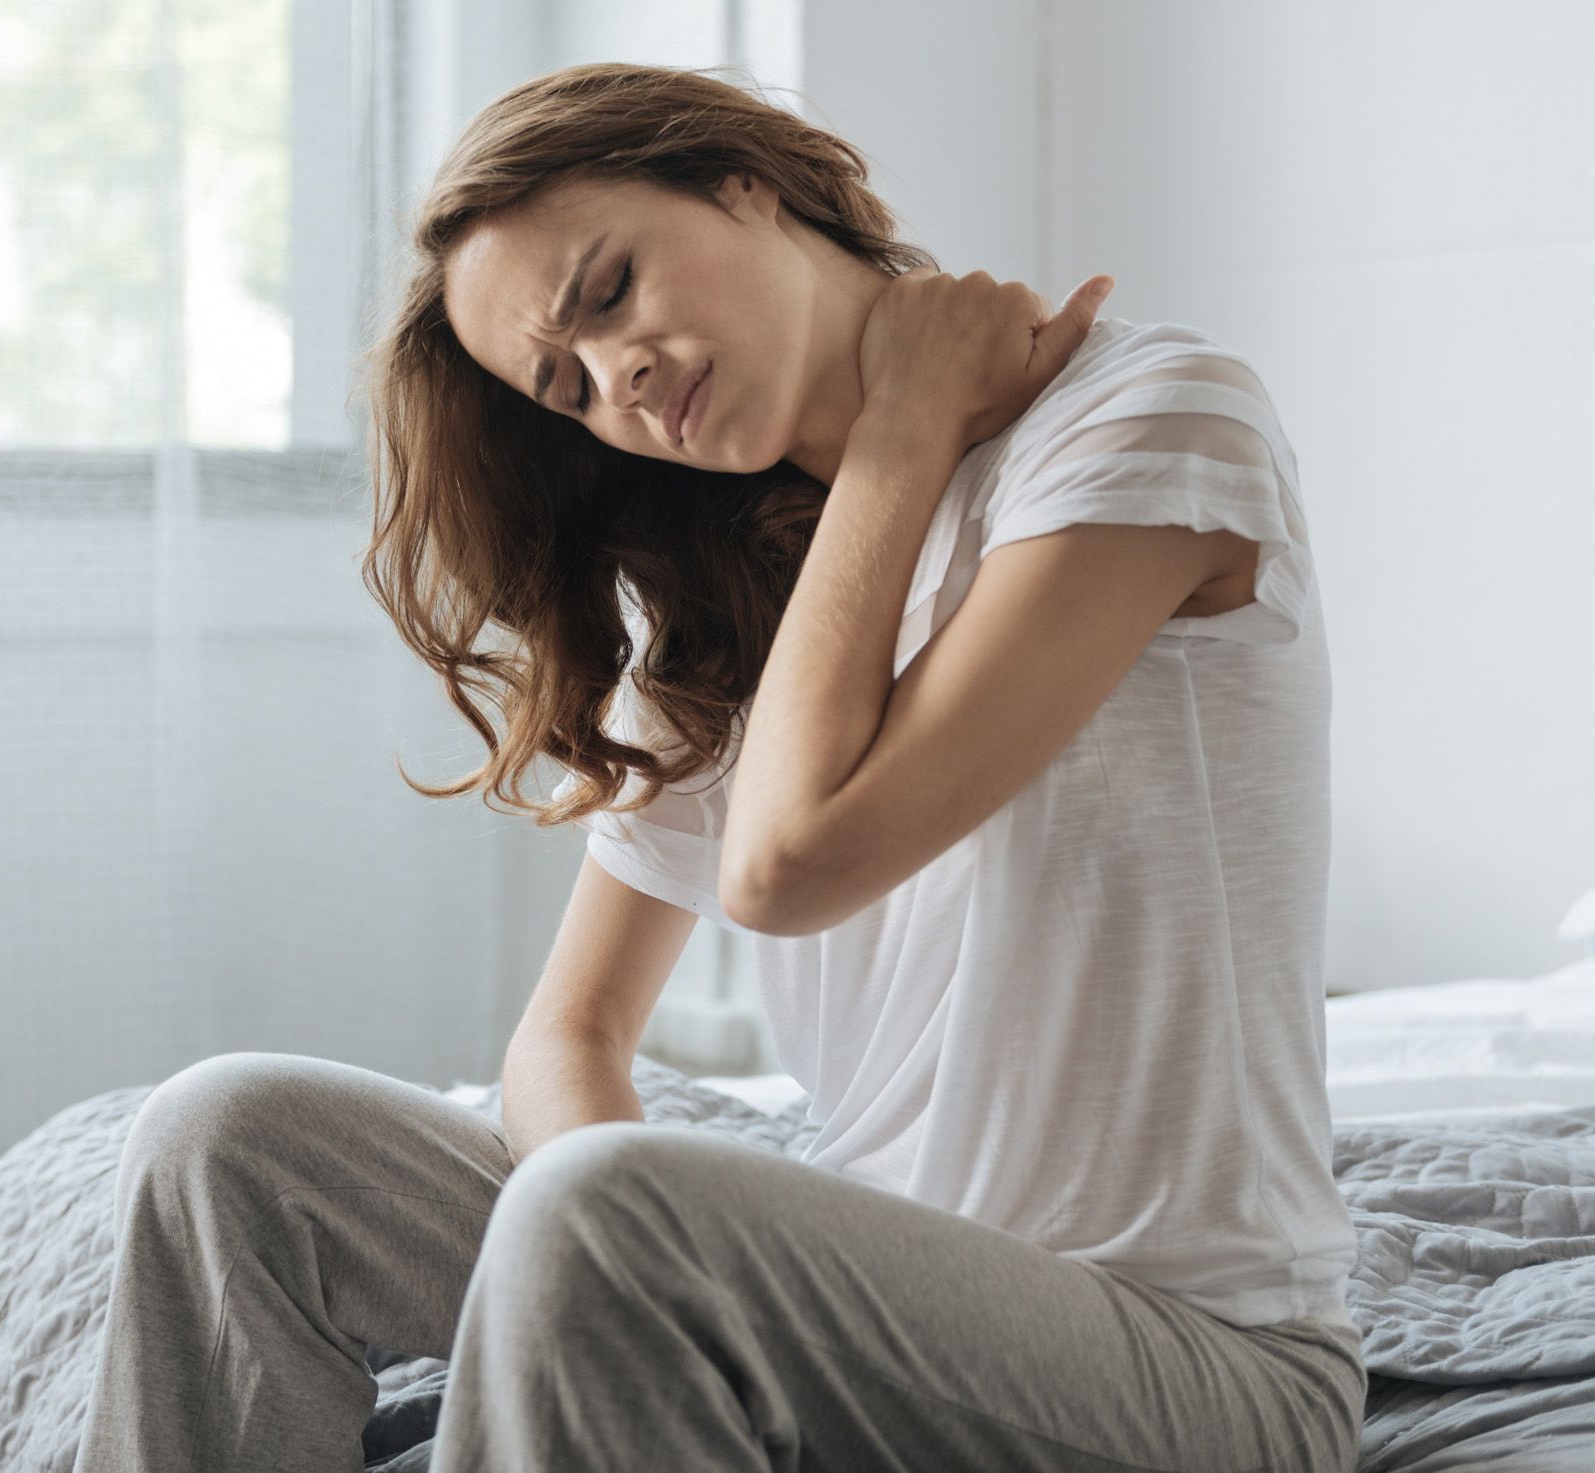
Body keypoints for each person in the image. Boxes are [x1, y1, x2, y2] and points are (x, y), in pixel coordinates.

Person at [71, 60, 1367, 1473]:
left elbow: (790, 866)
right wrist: (591, 1253)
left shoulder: (1151, 417)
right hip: (858, 1320)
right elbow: (568, 1036)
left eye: (610, 289)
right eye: (567, 386)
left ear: (744, 183)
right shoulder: (736, 594)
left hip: (1185, 1362)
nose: (615, 378)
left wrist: (903, 432)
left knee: (610, 1214)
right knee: (228, 1143)